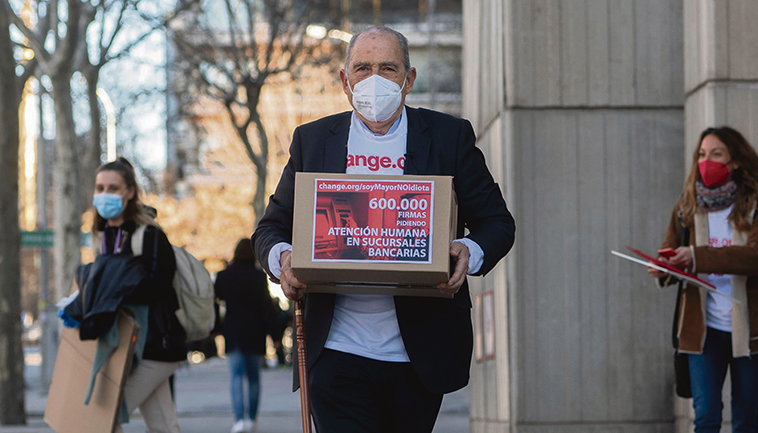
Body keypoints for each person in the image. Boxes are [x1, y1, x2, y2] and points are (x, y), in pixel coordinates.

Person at [252, 26, 515, 432]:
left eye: (388, 68)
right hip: (335, 351)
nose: (374, 79)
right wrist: (283, 258)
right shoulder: (314, 140)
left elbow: (497, 223)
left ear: (409, 80)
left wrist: (467, 250)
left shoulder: (448, 137)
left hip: (418, 354)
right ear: (344, 80)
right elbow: (270, 228)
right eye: (362, 68)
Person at [648, 127, 758, 432]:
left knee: (747, 418)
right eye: (701, 154)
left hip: (749, 332)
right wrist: (664, 269)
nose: (706, 161)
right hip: (702, 333)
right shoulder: (687, 208)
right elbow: (673, 254)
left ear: (735, 160)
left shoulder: (753, 206)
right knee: (706, 416)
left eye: (716, 154)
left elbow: (753, 257)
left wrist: (697, 256)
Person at [89, 158, 186, 433]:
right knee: (164, 425)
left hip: (156, 345)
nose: (104, 194)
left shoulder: (150, 235)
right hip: (130, 347)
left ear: (130, 191)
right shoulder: (105, 238)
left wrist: (111, 289)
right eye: (100, 187)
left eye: (112, 187)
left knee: (102, 418)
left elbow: (158, 286)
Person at [215, 239, 278, 433]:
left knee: (235, 376)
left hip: (233, 331)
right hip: (255, 331)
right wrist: (274, 335)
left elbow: (216, 301)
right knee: (253, 378)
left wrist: (215, 328)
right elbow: (267, 307)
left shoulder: (224, 276)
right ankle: (251, 419)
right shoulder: (258, 277)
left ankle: (239, 419)